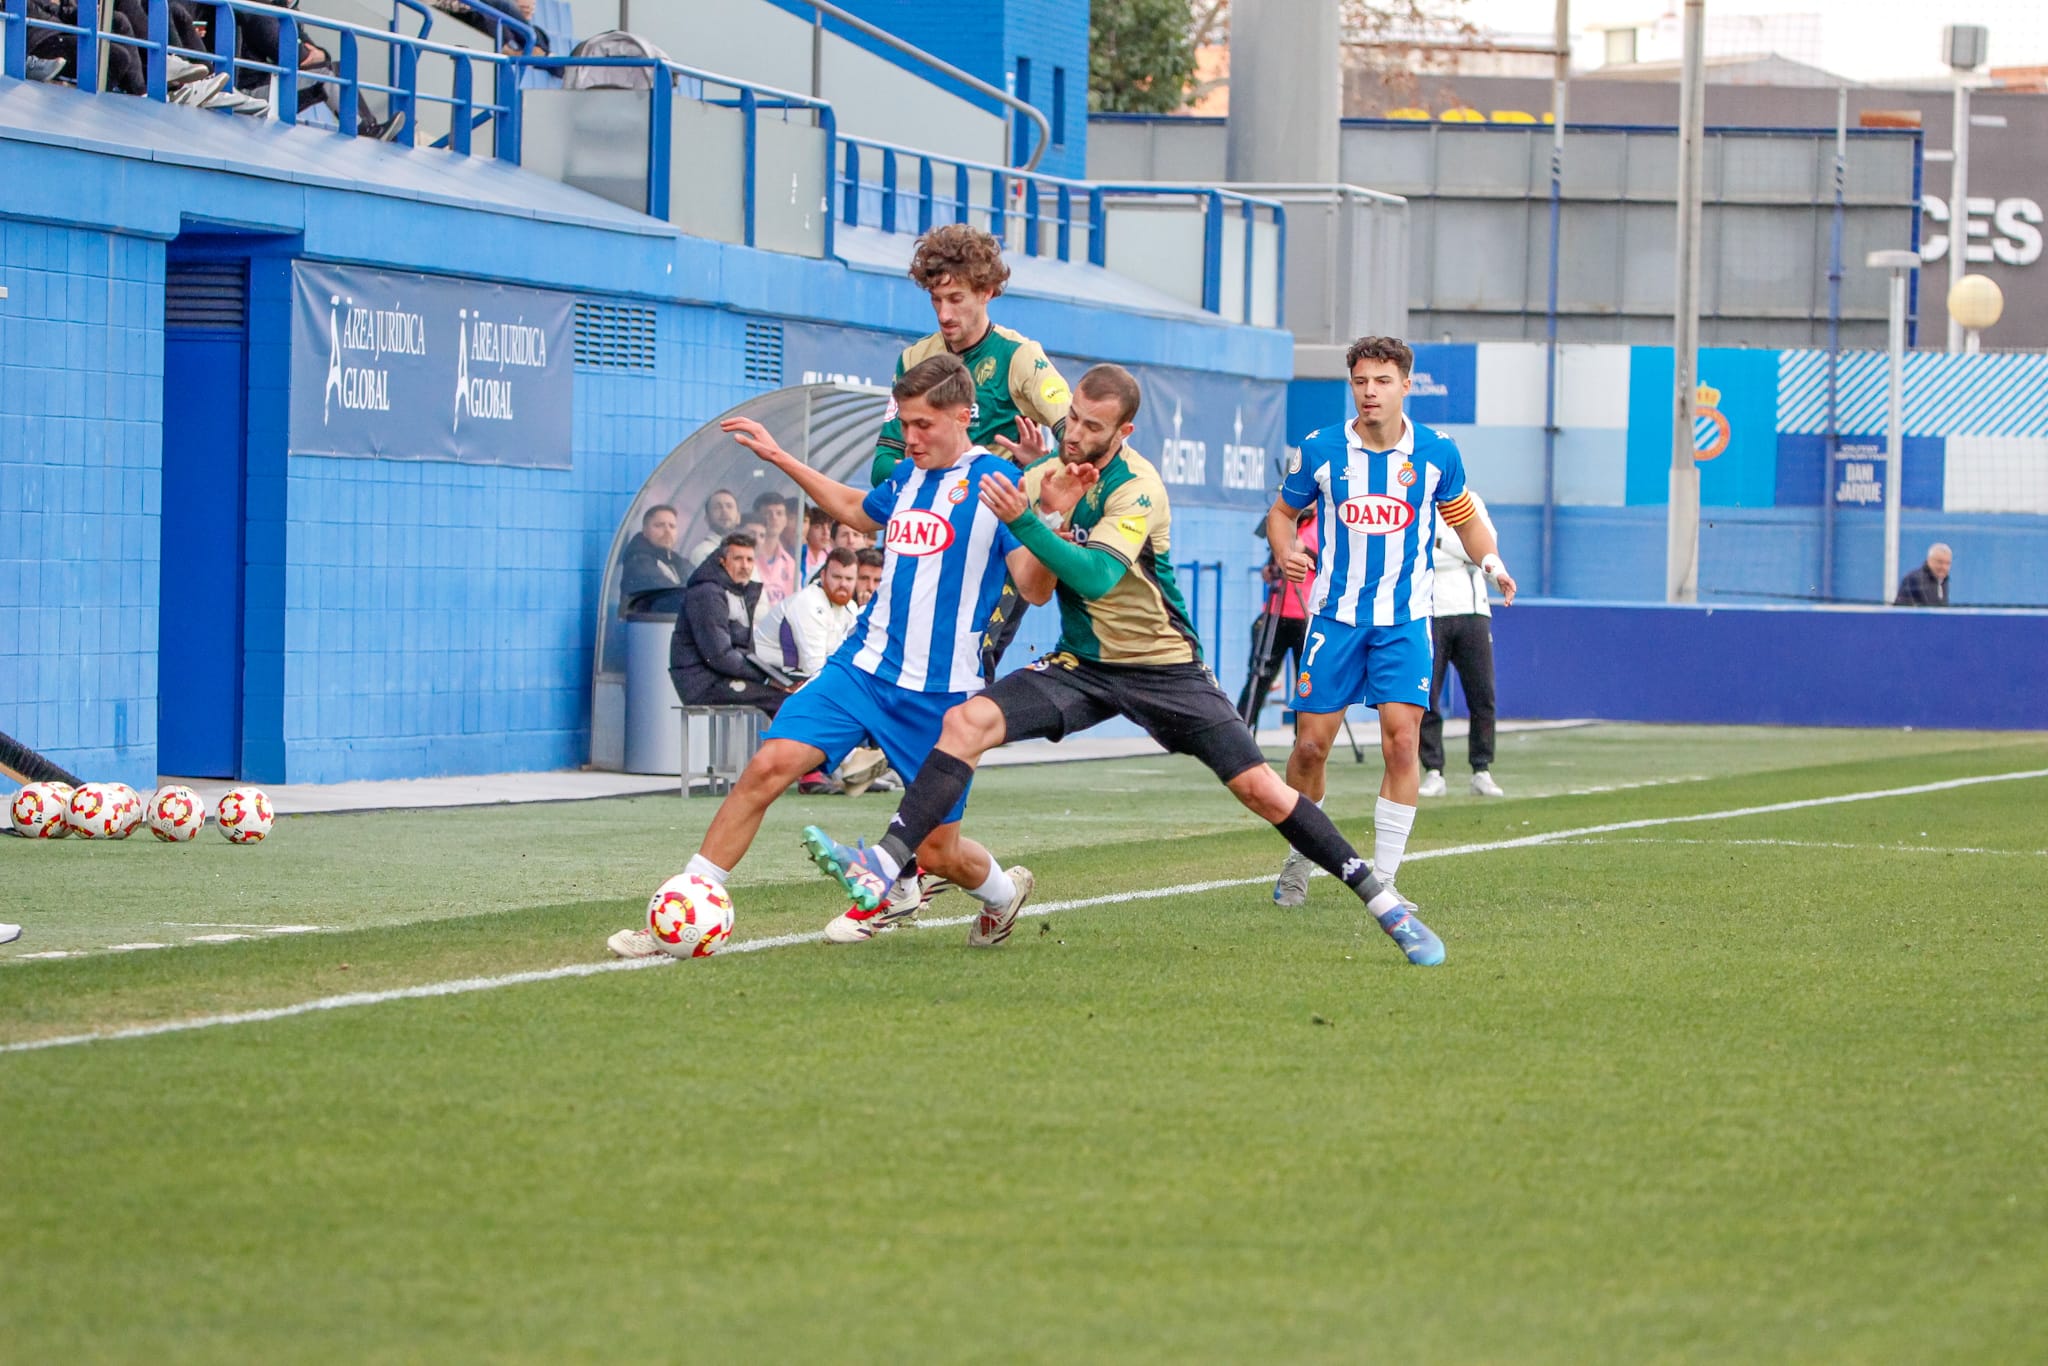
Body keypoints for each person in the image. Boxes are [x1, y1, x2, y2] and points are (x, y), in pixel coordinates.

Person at [802, 364, 1446, 966]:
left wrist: (1030, 520)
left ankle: (1382, 901)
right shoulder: (1049, 473)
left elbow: (1097, 575)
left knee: (1261, 790)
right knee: (967, 723)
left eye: (1092, 426)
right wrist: (1040, 505)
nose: (1075, 434)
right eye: (1073, 418)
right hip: (1083, 666)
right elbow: (1032, 583)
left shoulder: (1138, 487)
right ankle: (886, 863)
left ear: (1124, 432)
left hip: (1165, 668)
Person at [606, 354, 1043, 959]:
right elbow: (855, 509)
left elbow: (1035, 587)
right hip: (861, 670)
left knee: (940, 852)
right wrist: (780, 458)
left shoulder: (1000, 482)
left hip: (941, 697)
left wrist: (1043, 521)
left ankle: (1001, 894)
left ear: (963, 414)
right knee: (766, 769)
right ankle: (677, 916)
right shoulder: (909, 480)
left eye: (923, 425)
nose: (909, 438)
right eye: (904, 423)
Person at [1267, 336, 1517, 910]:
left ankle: (1384, 879)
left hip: (1405, 621)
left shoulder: (1436, 452)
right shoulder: (1321, 450)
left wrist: (1493, 563)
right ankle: (1300, 856)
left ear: (1406, 384)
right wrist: (1285, 550)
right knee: (1309, 747)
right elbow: (1282, 513)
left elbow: (1466, 520)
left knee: (1402, 743)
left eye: (1382, 381)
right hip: (1335, 618)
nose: (1370, 393)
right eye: (1360, 382)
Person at [867, 224, 1074, 679]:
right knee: (901, 656)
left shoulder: (1020, 357)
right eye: (935, 299)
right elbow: (883, 467)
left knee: (972, 659)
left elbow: (1075, 441)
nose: (944, 312)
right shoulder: (913, 360)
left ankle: (948, 745)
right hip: (929, 536)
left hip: (993, 536)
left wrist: (1037, 465)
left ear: (988, 292)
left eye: (956, 298)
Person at [1417, 490, 1506, 798]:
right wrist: (1459, 549)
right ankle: (1433, 770)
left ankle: (1481, 769)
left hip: (1473, 611)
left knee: (1483, 695)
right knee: (1428, 696)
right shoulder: (1418, 500)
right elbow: (1419, 552)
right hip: (1431, 610)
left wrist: (1443, 544)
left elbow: (1482, 549)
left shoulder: (1471, 500)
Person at [669, 533, 787, 718]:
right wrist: (764, 678)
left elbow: (742, 651)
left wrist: (777, 674)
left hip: (720, 678)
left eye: (749, 559)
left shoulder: (736, 591)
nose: (745, 566)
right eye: (738, 559)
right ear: (722, 561)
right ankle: (783, 748)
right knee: (784, 701)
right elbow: (719, 655)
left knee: (788, 696)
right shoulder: (708, 593)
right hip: (702, 684)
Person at [1237, 504, 1320, 724]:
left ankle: (1302, 738)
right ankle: (1241, 732)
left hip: (1306, 615)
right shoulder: (1285, 519)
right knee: (1258, 675)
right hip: (1276, 611)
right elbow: (1275, 559)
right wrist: (1270, 568)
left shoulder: (1324, 522)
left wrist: (1305, 550)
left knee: (1307, 681)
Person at [753, 548, 861, 678]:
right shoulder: (809, 602)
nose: (843, 584)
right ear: (823, 575)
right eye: (837, 577)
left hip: (794, 673)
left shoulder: (851, 607)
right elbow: (814, 667)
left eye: (849, 579)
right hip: (764, 672)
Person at [619, 503, 687, 615]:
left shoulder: (678, 562)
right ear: (645, 531)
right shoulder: (638, 561)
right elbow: (670, 596)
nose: (667, 531)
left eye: (672, 526)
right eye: (659, 525)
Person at [751, 491, 798, 604]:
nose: (774, 518)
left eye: (779, 513)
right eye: (768, 513)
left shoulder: (790, 564)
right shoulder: (747, 558)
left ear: (786, 520)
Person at [683, 489, 743, 566]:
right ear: (707, 519)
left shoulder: (746, 552)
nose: (724, 511)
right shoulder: (703, 553)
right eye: (717, 507)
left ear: (738, 517)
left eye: (729, 506)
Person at [1894, 542, 1952, 607]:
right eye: (1940, 562)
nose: (1944, 567)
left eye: (1947, 563)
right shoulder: (1913, 580)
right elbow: (1901, 611)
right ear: (1929, 560)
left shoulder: (1943, 581)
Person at [795, 505, 836, 586]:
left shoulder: (830, 555)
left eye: (828, 527)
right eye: (818, 527)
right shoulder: (800, 554)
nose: (826, 533)